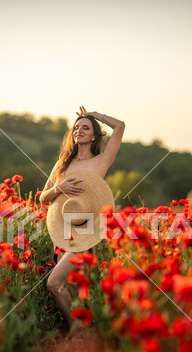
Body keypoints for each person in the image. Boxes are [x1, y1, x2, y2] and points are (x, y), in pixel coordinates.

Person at [40, 106, 125, 329]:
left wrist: (94, 115)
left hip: (86, 231)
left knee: (54, 282)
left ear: (94, 135)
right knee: (71, 288)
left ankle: (77, 333)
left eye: (85, 128)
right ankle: (86, 337)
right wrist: (59, 187)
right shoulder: (62, 163)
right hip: (62, 229)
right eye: (76, 127)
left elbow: (120, 126)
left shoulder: (102, 160)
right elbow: (43, 197)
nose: (79, 130)